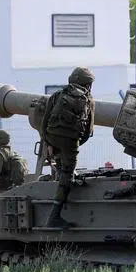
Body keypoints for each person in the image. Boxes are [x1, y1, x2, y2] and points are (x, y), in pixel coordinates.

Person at [42, 67, 95, 229]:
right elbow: (88, 131)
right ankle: (54, 217)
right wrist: (73, 142)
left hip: (52, 136)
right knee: (67, 173)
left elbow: (45, 123)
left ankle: (58, 177)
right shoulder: (88, 100)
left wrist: (49, 142)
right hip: (70, 141)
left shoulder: (58, 95)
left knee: (60, 163)